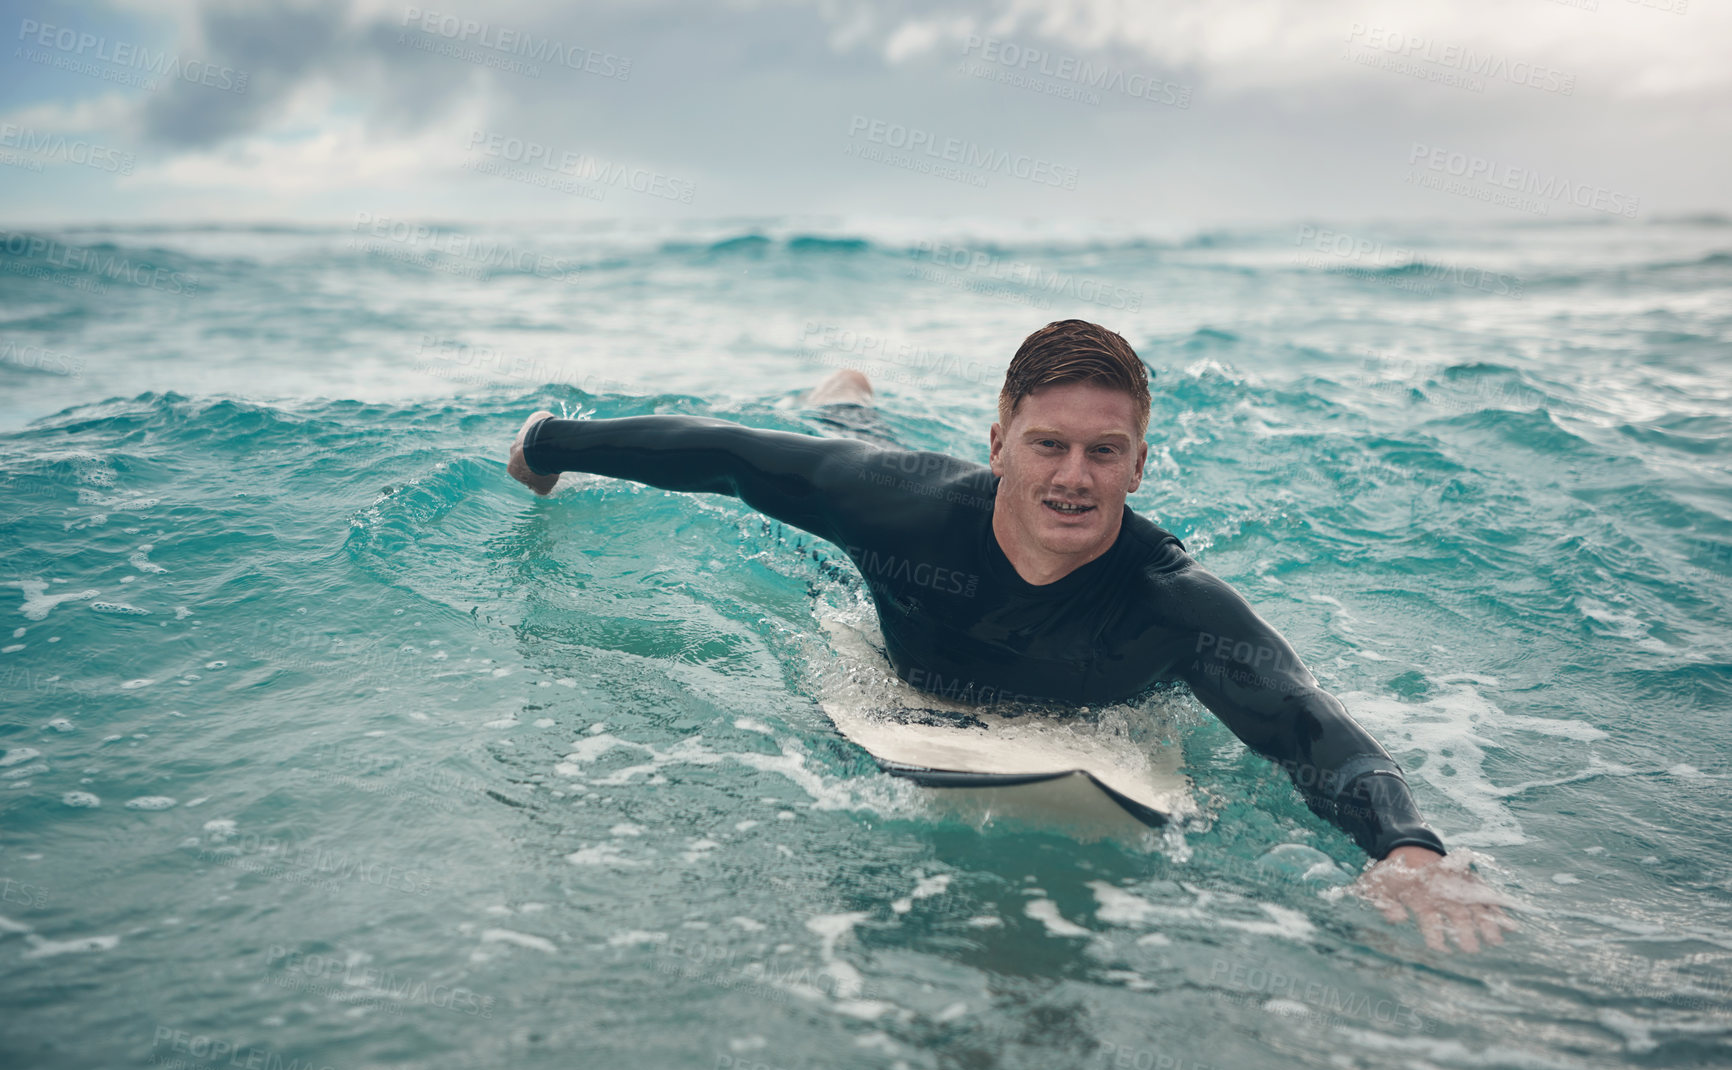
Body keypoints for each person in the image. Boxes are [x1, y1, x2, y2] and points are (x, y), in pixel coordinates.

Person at [507, 319, 1514, 953]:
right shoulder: (904, 511)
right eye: (1047, 444)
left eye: (1102, 451)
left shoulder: (1170, 600)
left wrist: (1406, 846)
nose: (1074, 475)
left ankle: (858, 407)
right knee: (843, 466)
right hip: (885, 589)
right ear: (1000, 446)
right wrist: (548, 445)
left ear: (1137, 464)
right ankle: (848, 400)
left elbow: (1303, 721)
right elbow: (725, 456)